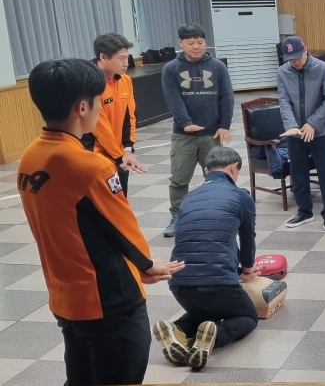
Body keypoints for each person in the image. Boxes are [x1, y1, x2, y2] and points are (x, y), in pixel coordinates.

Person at [19, 58, 182, 385]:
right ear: (82, 107)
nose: (101, 109)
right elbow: (121, 228)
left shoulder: (30, 156)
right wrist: (147, 265)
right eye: (98, 102)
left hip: (65, 296)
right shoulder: (91, 166)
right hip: (108, 300)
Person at [152, 146, 259, 370]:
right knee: (248, 317)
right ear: (233, 168)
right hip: (218, 283)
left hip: (179, 284)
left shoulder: (188, 198)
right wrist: (247, 269)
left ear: (206, 170)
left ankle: (177, 329)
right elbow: (247, 237)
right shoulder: (240, 196)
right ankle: (216, 333)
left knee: (203, 312)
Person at [161, 23, 234, 238]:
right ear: (181, 43)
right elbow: (173, 98)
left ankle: (219, 214)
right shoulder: (171, 68)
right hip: (184, 135)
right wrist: (185, 122)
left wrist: (224, 125)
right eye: (191, 43)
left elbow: (227, 96)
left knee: (218, 176)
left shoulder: (218, 66)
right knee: (179, 179)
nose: (196, 46)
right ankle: (177, 217)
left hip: (212, 134)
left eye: (200, 42)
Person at [277, 35, 325, 231]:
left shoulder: (322, 68)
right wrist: (291, 126)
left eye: (297, 57)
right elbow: (284, 101)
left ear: (305, 50)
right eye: (290, 59)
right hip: (295, 132)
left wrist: (312, 124)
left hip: (319, 131)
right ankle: (304, 212)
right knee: (298, 172)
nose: (295, 61)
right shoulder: (282, 72)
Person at [81, 33, 147, 196]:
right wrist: (119, 157)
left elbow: (129, 117)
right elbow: (99, 127)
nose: (126, 63)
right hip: (95, 158)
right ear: (103, 57)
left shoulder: (125, 80)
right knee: (100, 205)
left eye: (127, 58)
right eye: (121, 59)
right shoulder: (88, 83)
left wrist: (128, 149)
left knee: (120, 200)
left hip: (119, 156)